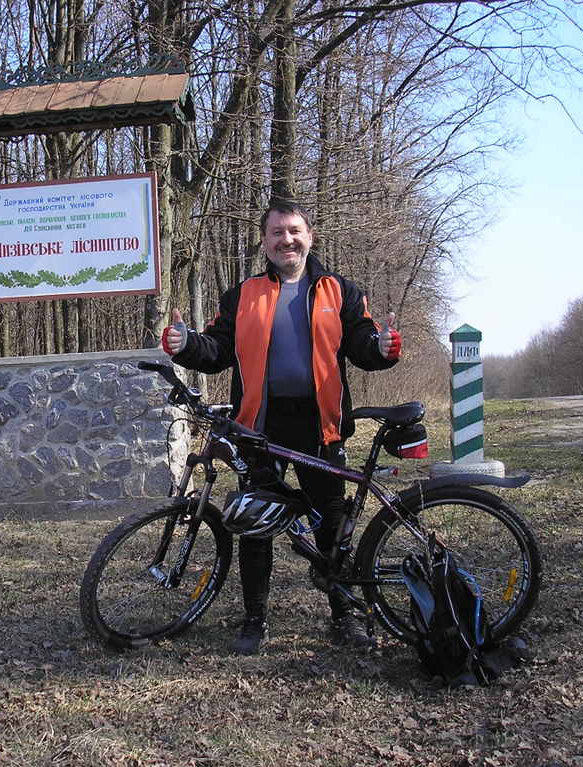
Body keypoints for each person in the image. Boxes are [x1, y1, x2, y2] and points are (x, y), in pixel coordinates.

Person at [161, 200, 402, 655]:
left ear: (310, 237)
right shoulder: (243, 295)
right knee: (255, 524)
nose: (286, 240)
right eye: (276, 232)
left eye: (294, 231)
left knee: (331, 523)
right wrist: (186, 343)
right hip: (259, 427)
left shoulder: (340, 291)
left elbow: (363, 345)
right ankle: (254, 619)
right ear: (264, 241)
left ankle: (344, 615)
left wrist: (383, 347)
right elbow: (216, 349)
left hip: (320, 427)